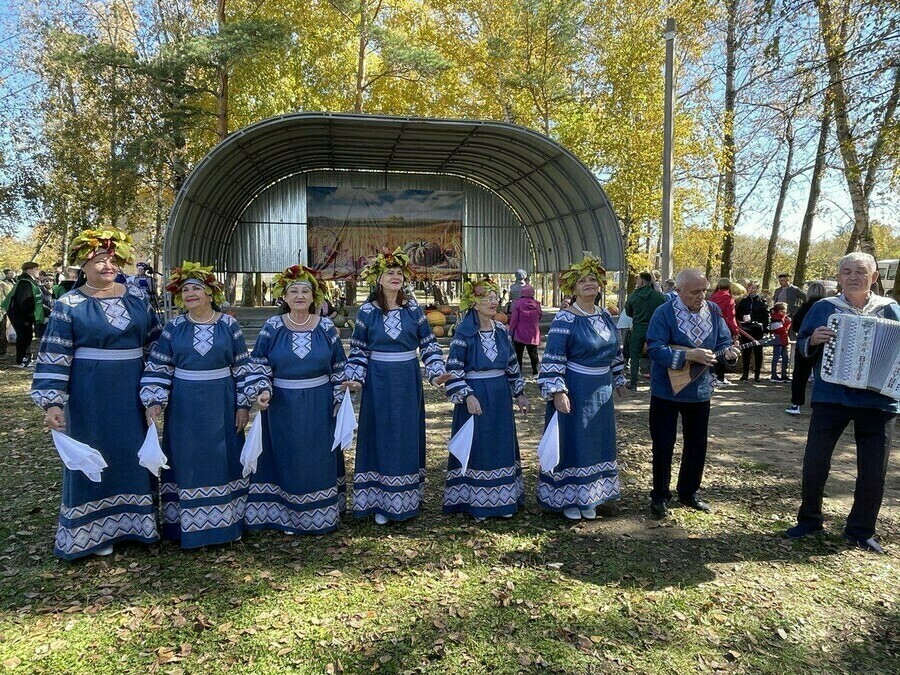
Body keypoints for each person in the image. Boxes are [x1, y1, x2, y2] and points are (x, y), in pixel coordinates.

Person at [31, 229, 162, 559]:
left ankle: (136, 525)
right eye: (98, 260)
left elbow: (157, 345)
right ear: (82, 266)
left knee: (131, 452)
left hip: (134, 391)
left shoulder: (137, 299)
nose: (107, 265)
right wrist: (52, 401)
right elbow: (55, 354)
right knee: (95, 452)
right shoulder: (68, 305)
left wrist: (156, 391)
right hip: (90, 394)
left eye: (112, 259)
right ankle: (95, 531)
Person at [785, 253, 899, 554]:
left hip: (879, 402)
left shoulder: (890, 310)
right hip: (831, 397)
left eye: (860, 271)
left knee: (874, 470)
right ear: (838, 277)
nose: (852, 277)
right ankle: (809, 520)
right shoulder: (824, 307)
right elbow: (802, 345)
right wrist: (812, 341)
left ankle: (861, 530)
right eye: (846, 271)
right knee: (815, 462)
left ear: (874, 277)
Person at [140, 262, 251, 548]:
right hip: (185, 402)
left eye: (197, 289)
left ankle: (228, 524)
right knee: (187, 455)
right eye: (186, 289)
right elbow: (159, 365)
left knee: (223, 455)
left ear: (210, 293)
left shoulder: (229, 325)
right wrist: (154, 400)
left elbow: (242, 367)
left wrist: (243, 405)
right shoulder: (173, 327)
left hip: (222, 399)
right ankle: (186, 526)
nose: (191, 293)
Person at [345, 248, 448, 524]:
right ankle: (379, 500)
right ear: (378, 278)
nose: (395, 277)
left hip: (406, 379)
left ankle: (405, 499)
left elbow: (428, 344)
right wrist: (354, 377)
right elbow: (358, 350)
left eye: (399, 273)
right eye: (389, 272)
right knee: (380, 434)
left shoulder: (413, 308)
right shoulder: (367, 311)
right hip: (377, 381)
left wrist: (437, 373)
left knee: (404, 434)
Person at [244, 266, 348, 535]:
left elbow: (339, 367)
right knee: (285, 456)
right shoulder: (272, 327)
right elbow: (258, 363)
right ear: (285, 297)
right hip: (281, 404)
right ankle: (283, 516)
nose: (300, 295)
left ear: (314, 297)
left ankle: (320, 515)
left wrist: (338, 398)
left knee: (316, 457)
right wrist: (262, 390)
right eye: (294, 291)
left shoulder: (326, 327)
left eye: (305, 291)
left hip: (320, 404)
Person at [537, 253, 627, 520]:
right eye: (582, 281)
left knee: (596, 442)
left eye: (593, 279)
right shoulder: (566, 319)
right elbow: (553, 357)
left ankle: (591, 496)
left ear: (600, 285)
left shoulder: (606, 316)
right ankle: (568, 498)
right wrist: (558, 390)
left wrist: (619, 376)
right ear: (573, 288)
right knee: (573, 441)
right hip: (575, 388)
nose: (589, 284)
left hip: (602, 390)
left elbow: (615, 349)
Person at [645, 269, 740, 518]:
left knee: (697, 444)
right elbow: (654, 348)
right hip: (666, 390)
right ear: (679, 291)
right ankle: (660, 495)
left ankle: (688, 492)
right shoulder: (664, 313)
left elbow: (722, 342)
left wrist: (728, 353)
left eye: (704, 290)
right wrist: (688, 354)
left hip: (699, 391)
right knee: (664, 443)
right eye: (695, 291)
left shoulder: (714, 311)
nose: (702, 296)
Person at [443, 278, 528, 521]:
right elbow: (454, 369)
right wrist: (467, 394)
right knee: (478, 445)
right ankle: (478, 501)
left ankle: (503, 499)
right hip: (476, 395)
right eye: (486, 298)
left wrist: (519, 393)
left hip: (500, 396)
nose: (493, 302)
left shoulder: (501, 331)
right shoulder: (464, 333)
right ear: (474, 303)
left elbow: (512, 365)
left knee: (500, 442)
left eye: (494, 297)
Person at [785, 282, 827, 415]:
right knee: (821, 375)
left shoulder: (805, 307)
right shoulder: (828, 308)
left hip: (805, 343)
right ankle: (818, 404)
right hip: (824, 345)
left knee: (800, 375)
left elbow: (796, 326)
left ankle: (796, 404)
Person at [623, 271, 666, 390]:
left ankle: (633, 383)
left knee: (635, 356)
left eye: (637, 279)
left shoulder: (633, 296)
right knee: (655, 355)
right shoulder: (659, 296)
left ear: (641, 281)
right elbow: (665, 311)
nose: (636, 281)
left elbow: (628, 312)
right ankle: (655, 383)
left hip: (637, 328)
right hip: (654, 329)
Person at [1, 262, 43, 367]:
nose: (38, 271)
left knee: (27, 336)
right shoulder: (25, 283)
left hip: (23, 314)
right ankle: (22, 359)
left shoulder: (29, 281)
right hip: (20, 314)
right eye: (36, 269)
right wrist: (30, 315)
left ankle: (26, 357)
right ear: (29, 271)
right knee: (24, 336)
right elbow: (24, 301)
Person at [735, 281, 768, 382]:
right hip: (746, 329)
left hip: (758, 329)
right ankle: (745, 374)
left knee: (758, 352)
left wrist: (766, 329)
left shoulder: (762, 301)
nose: (751, 290)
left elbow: (766, 316)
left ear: (757, 289)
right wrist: (742, 318)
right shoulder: (744, 301)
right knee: (746, 351)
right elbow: (738, 313)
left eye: (754, 288)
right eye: (750, 288)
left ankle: (757, 374)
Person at [709, 278, 739, 386]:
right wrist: (735, 331)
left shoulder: (712, 297)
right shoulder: (729, 299)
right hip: (725, 327)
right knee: (724, 351)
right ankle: (720, 378)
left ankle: (713, 376)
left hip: (711, 327)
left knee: (713, 352)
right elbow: (731, 317)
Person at [508, 283, 542, 377]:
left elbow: (514, 319)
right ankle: (536, 372)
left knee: (518, 354)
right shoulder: (537, 304)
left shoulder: (518, 303)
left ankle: (519, 372)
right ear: (532, 293)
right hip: (533, 333)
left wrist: (511, 332)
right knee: (533, 353)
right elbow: (539, 316)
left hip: (519, 333)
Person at [768, 302, 792, 382]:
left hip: (783, 340)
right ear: (780, 311)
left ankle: (784, 374)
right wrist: (787, 323)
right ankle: (774, 375)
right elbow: (779, 330)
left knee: (785, 358)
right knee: (776, 357)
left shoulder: (783, 318)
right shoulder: (775, 318)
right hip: (778, 341)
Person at [0, 269, 13, 355]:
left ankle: (2, 350)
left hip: (1, 311)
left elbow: (9, 297)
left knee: (2, 330)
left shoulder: (4, 285)